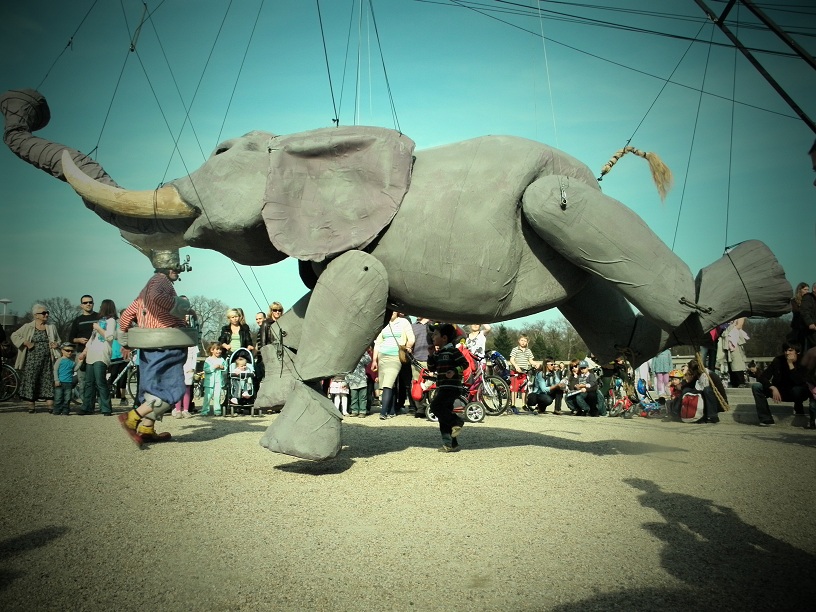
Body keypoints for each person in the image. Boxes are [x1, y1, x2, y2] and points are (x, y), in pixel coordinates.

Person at [118, 251, 191, 444]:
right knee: (172, 389)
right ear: (169, 267)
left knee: (152, 387)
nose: (179, 271)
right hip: (167, 343)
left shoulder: (144, 290)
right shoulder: (161, 282)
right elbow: (157, 296)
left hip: (148, 346)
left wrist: (125, 341)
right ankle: (132, 417)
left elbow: (126, 316)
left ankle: (147, 428)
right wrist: (182, 307)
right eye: (176, 267)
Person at [11, 304, 61, 413]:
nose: (46, 314)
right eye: (43, 313)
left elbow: (58, 340)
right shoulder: (28, 326)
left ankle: (50, 406)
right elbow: (14, 335)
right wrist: (25, 342)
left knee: (47, 379)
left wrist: (56, 344)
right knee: (31, 379)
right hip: (32, 358)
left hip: (47, 359)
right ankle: (31, 405)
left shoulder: (51, 327)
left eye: (47, 312)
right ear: (36, 315)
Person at [427, 323, 468, 452]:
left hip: (451, 387)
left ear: (444, 338)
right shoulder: (439, 353)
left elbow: (465, 364)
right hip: (442, 386)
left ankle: (456, 421)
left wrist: (454, 371)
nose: (432, 336)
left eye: (435, 334)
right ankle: (451, 444)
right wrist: (430, 355)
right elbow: (431, 368)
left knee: (435, 407)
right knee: (443, 415)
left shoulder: (453, 351)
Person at [751, 342, 808, 426]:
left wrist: (790, 364)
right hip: (779, 391)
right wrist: (772, 387)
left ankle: (799, 406)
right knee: (756, 386)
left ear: (797, 352)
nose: (787, 353)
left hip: (796, 392)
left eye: (790, 350)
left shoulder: (803, 361)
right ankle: (766, 419)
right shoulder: (778, 360)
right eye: (785, 350)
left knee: (798, 389)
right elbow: (763, 377)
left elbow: (799, 381)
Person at [372, 311, 415, 420]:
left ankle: (383, 412)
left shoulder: (404, 322)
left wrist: (408, 346)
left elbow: (411, 338)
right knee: (388, 385)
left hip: (395, 356)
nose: (392, 312)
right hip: (382, 356)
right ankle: (391, 410)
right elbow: (377, 343)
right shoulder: (384, 323)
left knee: (388, 383)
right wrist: (374, 360)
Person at [79, 298, 117, 416]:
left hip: (101, 354)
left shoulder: (111, 321)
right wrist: (84, 352)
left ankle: (106, 408)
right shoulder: (100, 321)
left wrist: (98, 328)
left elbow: (109, 337)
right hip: (91, 354)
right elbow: (91, 339)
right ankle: (87, 407)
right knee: (89, 382)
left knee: (100, 382)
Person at [69, 294, 98, 403]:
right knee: (82, 380)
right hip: (81, 352)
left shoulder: (98, 317)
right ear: (81, 305)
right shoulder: (77, 320)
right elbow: (71, 338)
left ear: (93, 304)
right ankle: (85, 403)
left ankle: (95, 403)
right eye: (85, 303)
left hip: (97, 353)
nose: (88, 304)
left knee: (96, 379)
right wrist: (78, 340)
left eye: (90, 302)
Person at [408, 317, 432, 418]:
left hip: (432, 359)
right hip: (416, 359)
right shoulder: (412, 326)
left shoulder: (433, 325)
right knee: (416, 385)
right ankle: (420, 409)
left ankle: (433, 407)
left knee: (432, 383)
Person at [717, 318, 749, 388]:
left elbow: (739, 325)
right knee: (730, 361)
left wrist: (730, 330)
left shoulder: (741, 315)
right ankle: (734, 381)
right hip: (727, 339)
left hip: (734, 339)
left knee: (737, 361)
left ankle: (741, 382)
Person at [509, 334, 538, 407]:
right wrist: (516, 366)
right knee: (514, 389)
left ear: (527, 342)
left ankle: (523, 404)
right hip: (515, 371)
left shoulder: (528, 351)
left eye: (525, 341)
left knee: (524, 389)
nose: (523, 342)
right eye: (522, 340)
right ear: (519, 341)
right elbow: (511, 359)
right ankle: (513, 404)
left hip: (524, 372)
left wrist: (536, 364)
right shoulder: (515, 349)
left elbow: (531, 360)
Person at [52, 342, 79, 415]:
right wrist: (56, 380)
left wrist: (80, 362)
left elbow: (75, 369)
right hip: (60, 382)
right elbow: (55, 370)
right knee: (58, 398)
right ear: (62, 350)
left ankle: (65, 411)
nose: (70, 352)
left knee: (67, 398)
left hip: (69, 382)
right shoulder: (59, 360)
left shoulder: (72, 362)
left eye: (71, 351)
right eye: (67, 350)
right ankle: (57, 410)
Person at [200, 342, 226, 416]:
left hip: (218, 381)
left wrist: (222, 367)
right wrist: (213, 367)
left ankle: (217, 411)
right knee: (207, 397)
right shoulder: (208, 360)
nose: (219, 351)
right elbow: (206, 369)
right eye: (217, 349)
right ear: (211, 350)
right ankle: (204, 411)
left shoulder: (222, 360)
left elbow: (226, 369)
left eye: (220, 349)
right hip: (209, 382)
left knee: (217, 396)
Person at [172, 344, 198, 418]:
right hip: (178, 367)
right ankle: (177, 410)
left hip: (188, 368)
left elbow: (194, 357)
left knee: (187, 389)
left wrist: (193, 368)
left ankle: (186, 410)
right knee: (177, 389)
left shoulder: (193, 345)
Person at [346, 350, 371, 417]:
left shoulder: (363, 355)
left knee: (362, 397)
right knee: (354, 397)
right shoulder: (349, 357)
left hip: (362, 379)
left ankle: (362, 411)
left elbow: (368, 360)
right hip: (352, 379)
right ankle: (354, 411)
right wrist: (346, 380)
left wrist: (363, 353)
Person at [788, 282, 810, 348]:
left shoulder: (809, 301)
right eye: (805, 289)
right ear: (800, 290)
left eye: (808, 290)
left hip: (807, 326)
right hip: (797, 326)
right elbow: (796, 311)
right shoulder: (793, 301)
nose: (807, 291)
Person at [800, 282, 816, 353]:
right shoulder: (808, 297)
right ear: (814, 289)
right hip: (811, 329)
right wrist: (810, 323)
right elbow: (804, 311)